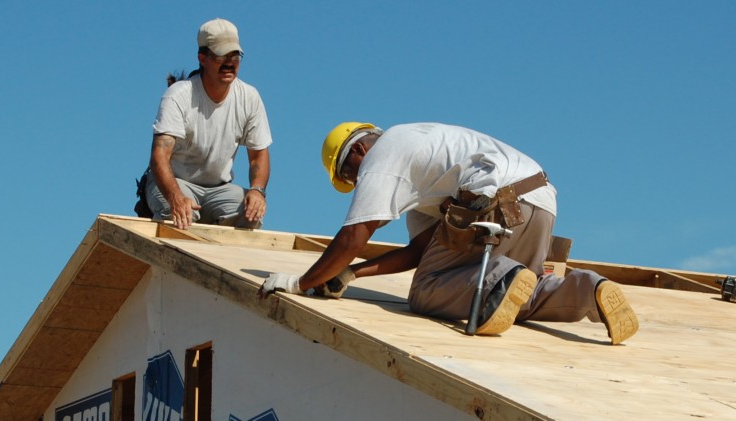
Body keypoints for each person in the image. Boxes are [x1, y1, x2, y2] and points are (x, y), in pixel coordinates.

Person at [258, 122, 639, 344]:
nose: (356, 184)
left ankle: (498, 280)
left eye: (349, 176)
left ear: (358, 150)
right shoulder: (423, 163)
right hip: (540, 200)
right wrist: (351, 274)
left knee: (426, 292)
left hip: (493, 199)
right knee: (517, 296)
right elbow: (420, 251)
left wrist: (301, 283)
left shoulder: (382, 157)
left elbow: (354, 235)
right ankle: (588, 290)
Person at [145, 18, 271, 229]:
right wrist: (176, 197)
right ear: (202, 58)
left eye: (235, 55)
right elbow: (159, 156)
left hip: (220, 189)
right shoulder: (178, 95)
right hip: (176, 182)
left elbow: (258, 155)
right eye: (222, 55)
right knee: (179, 217)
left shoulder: (249, 97)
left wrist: (257, 191)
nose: (230, 62)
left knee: (250, 217)